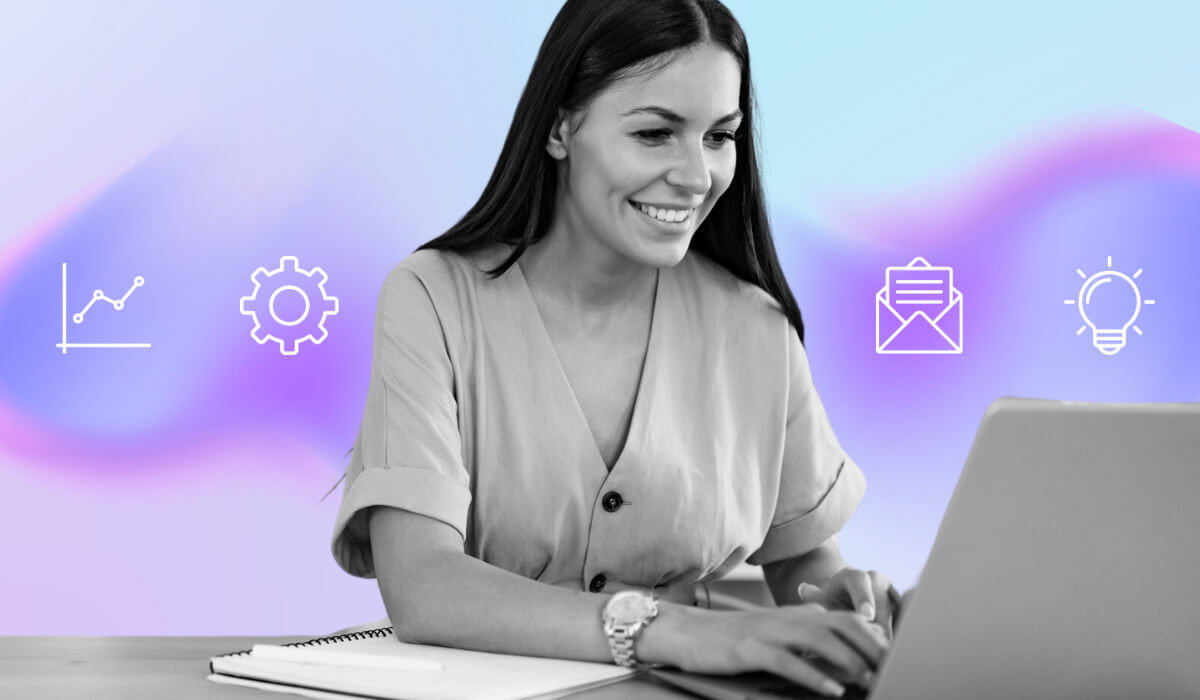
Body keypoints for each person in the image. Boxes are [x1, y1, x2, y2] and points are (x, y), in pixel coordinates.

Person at [331, 0, 900, 696]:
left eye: (719, 136)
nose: (696, 177)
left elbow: (800, 555)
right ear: (560, 127)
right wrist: (670, 629)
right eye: (657, 133)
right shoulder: (432, 298)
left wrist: (844, 607)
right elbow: (422, 586)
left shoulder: (756, 326)